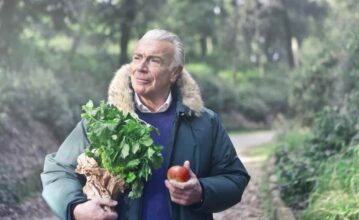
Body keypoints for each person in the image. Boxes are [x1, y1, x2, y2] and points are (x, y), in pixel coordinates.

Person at [41, 29, 250, 220]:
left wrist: (202, 191)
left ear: (175, 72)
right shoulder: (102, 120)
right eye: (137, 57)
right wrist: (76, 208)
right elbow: (57, 171)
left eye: (154, 60)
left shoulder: (205, 122)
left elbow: (235, 178)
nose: (140, 67)